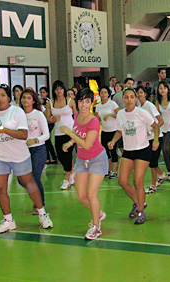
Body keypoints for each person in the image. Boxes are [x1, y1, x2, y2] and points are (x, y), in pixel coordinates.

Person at [0, 83, 53, 233]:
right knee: (0, 189)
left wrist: (3, 130)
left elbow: (23, 134)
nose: (0, 99)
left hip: (18, 156)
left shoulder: (17, 111)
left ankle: (43, 214)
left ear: (8, 96)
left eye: (2, 95)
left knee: (29, 184)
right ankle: (8, 220)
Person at [60, 88, 108, 240]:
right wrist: (70, 142)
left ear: (92, 103)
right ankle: (98, 213)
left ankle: (96, 227)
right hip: (82, 159)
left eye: (87, 101)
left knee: (91, 194)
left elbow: (87, 144)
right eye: (81, 101)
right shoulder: (76, 116)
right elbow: (78, 134)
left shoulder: (93, 121)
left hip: (97, 159)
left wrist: (69, 134)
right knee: (81, 196)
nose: (84, 105)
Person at [108, 87, 157, 224]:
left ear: (135, 99)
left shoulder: (141, 113)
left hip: (142, 150)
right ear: (123, 99)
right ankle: (138, 202)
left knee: (137, 181)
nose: (129, 100)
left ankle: (141, 211)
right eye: (126, 97)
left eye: (131, 97)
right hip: (128, 151)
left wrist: (156, 139)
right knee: (122, 181)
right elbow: (119, 131)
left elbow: (156, 126)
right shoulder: (121, 115)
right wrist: (113, 141)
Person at [20, 88, 50, 214]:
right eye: (24, 97)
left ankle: (40, 204)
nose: (26, 100)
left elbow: (46, 134)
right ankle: (35, 196)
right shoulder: (18, 114)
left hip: (38, 150)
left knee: (35, 177)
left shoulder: (38, 115)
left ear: (33, 101)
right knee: (21, 179)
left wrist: (35, 140)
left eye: (29, 98)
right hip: (22, 151)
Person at [45, 80, 78, 190]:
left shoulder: (70, 101)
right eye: (56, 89)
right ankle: (72, 171)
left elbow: (77, 115)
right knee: (60, 156)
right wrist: (52, 119)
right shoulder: (51, 102)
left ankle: (66, 179)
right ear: (54, 91)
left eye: (61, 88)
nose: (59, 91)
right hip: (58, 133)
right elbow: (47, 118)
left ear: (64, 89)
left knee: (67, 154)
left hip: (70, 132)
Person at [136, 86, 164, 194]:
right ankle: (161, 174)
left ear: (145, 94)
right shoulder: (138, 106)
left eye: (141, 92)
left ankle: (153, 185)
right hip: (146, 139)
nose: (139, 94)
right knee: (149, 162)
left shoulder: (149, 106)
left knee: (152, 162)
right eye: (138, 93)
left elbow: (160, 121)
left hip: (156, 138)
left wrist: (152, 132)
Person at [95, 86, 120, 179]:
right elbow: (97, 118)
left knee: (113, 150)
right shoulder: (98, 106)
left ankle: (114, 171)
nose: (103, 94)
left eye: (105, 92)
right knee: (105, 151)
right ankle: (108, 170)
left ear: (108, 94)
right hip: (104, 131)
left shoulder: (112, 104)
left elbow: (119, 114)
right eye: (102, 92)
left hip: (113, 130)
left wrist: (110, 115)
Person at [39, 87, 58, 164]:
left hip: (49, 122)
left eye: (44, 92)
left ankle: (52, 157)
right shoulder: (40, 102)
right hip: (43, 122)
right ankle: (49, 157)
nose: (42, 94)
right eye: (41, 92)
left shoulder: (48, 102)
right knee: (47, 140)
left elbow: (46, 112)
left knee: (47, 139)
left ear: (47, 93)